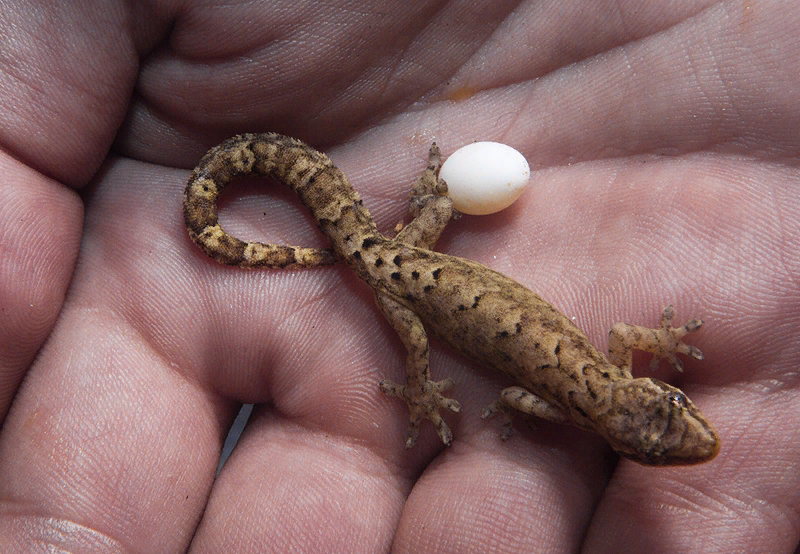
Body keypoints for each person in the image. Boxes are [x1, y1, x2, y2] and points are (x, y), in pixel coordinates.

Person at [1, 1, 797, 551]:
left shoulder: (612, 362)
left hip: (411, 256)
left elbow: (591, 354)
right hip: (397, 284)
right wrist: (425, 392)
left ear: (639, 396)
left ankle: (387, 214)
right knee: (413, 342)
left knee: (425, 240)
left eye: (663, 426)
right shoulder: (569, 400)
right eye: (673, 408)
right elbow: (520, 397)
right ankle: (379, 324)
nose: (685, 424)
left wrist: (650, 340)